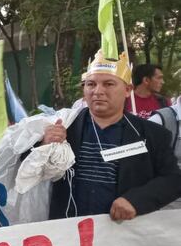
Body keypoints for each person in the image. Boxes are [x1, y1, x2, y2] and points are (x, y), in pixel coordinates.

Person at [41, 50, 181, 220]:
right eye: (91, 84)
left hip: (121, 234)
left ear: (127, 90)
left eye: (108, 84)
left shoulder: (152, 134)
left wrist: (135, 200)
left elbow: (173, 180)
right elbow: (23, 165)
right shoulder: (65, 126)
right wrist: (44, 144)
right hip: (70, 233)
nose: (98, 91)